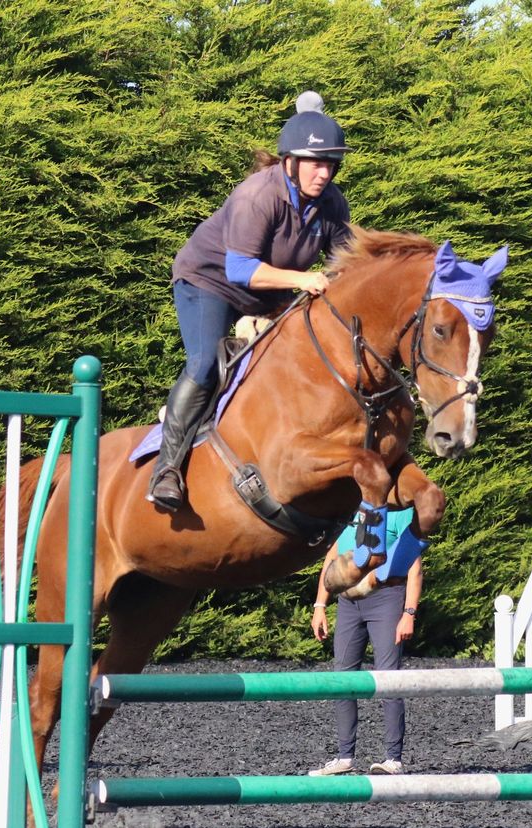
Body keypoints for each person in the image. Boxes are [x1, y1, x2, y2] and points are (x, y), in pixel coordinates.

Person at [148, 91, 353, 512]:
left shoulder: (332, 203)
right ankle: (166, 470)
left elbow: (345, 263)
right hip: (210, 283)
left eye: (330, 164)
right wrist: (302, 279)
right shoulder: (257, 195)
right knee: (205, 364)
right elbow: (241, 269)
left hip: (270, 292)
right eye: (316, 163)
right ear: (289, 163)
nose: (324, 173)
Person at [309, 507, 424, 776]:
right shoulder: (351, 506)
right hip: (348, 602)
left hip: (386, 597)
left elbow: (415, 566)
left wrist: (409, 613)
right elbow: (332, 556)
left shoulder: (402, 511)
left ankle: (393, 759)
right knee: (343, 679)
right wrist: (319, 605)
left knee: (388, 678)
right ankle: (344, 757)